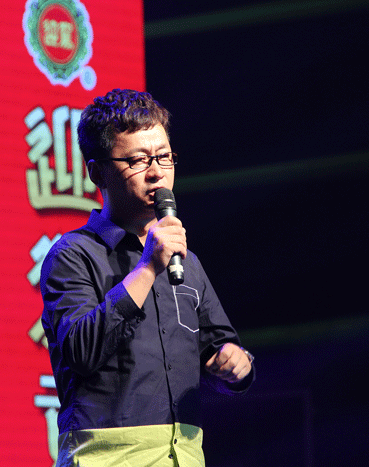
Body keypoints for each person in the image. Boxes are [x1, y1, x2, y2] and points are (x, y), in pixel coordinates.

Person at [40, 89, 254, 466]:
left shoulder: (186, 261)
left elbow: (218, 349)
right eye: (138, 160)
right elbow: (81, 352)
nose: (156, 172)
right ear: (96, 172)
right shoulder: (72, 255)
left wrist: (236, 363)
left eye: (164, 157)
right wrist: (147, 268)